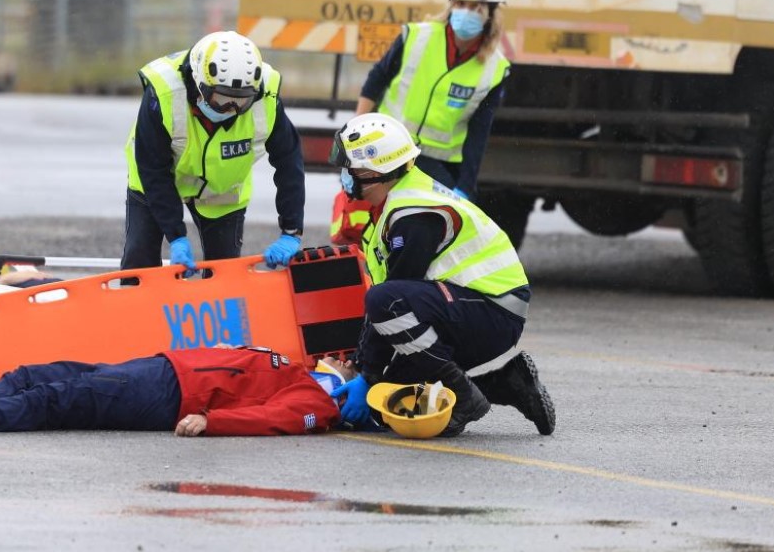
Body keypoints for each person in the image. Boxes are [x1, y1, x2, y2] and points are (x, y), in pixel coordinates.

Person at [327, 113, 555, 438]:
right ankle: (509, 384)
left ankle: (463, 396)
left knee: (383, 304)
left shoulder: (414, 215)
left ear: (372, 172)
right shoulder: (398, 201)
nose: (344, 176)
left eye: (348, 168)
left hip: (493, 310)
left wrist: (366, 372)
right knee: (390, 401)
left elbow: (390, 299)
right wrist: (368, 371)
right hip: (467, 306)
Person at [123, 30, 305, 272]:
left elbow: (289, 162)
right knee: (140, 262)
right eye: (221, 99)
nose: (230, 109)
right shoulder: (163, 93)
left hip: (222, 194)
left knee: (224, 274)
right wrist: (176, 236)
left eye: (240, 102)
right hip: (156, 181)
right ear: (199, 85)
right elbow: (153, 170)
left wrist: (291, 231)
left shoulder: (266, 97)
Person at [0, 346, 344, 436]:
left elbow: (270, 419)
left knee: (58, 398)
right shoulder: (301, 366)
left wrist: (212, 421)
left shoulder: (317, 402)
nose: (345, 358)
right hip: (162, 367)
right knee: (34, 374)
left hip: (168, 395)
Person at [354, 0, 511, 201]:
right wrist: (355, 136)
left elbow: (479, 132)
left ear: (491, 15)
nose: (466, 12)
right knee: (363, 226)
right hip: (387, 149)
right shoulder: (417, 36)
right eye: (460, 4)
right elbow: (376, 80)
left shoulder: (495, 68)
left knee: (425, 232)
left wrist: (466, 187)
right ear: (450, 5)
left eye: (476, 7)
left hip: (437, 165)